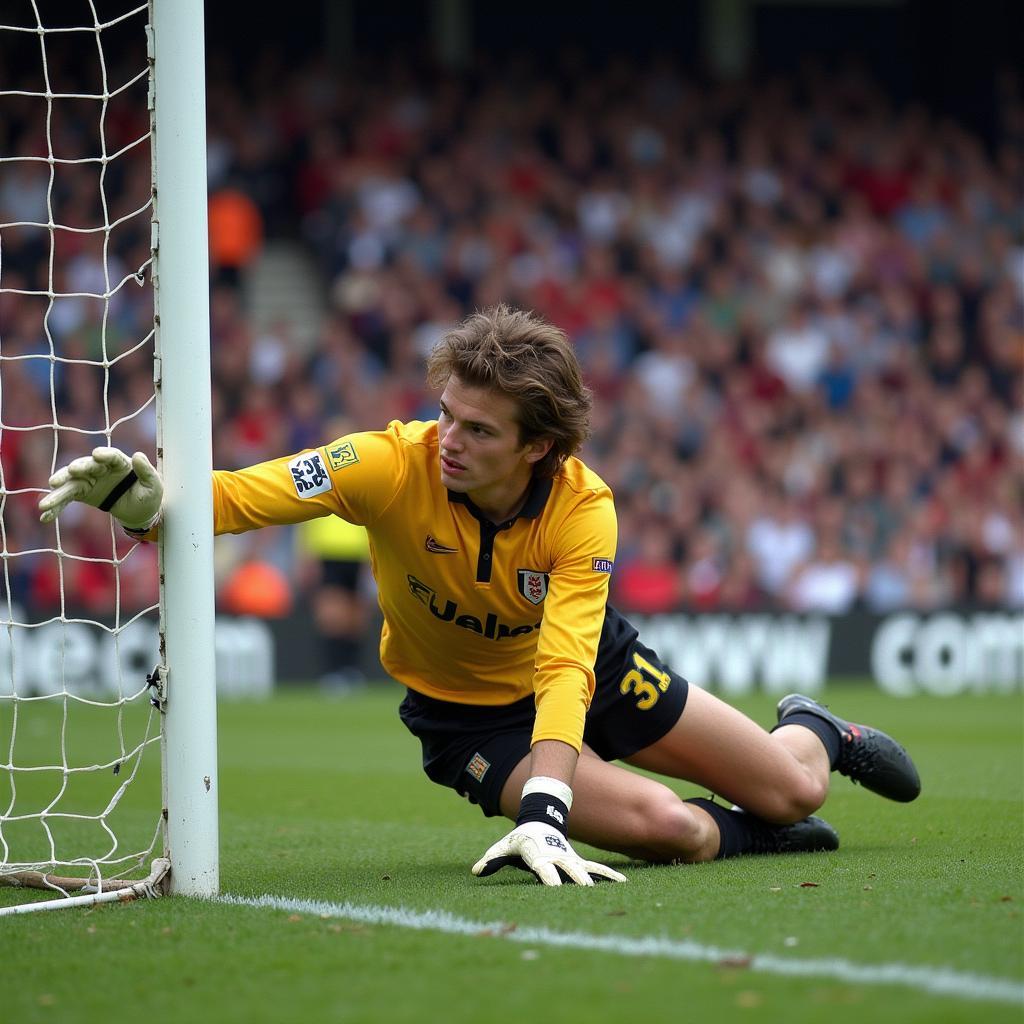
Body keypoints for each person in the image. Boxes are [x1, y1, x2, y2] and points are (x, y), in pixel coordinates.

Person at [38, 305, 920, 888]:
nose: (448, 439)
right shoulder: (384, 462)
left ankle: (815, 728)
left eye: (479, 429)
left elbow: (569, 663)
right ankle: (742, 832)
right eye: (448, 413)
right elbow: (240, 496)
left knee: (797, 793)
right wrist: (148, 504)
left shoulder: (585, 509)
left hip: (591, 674)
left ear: (538, 447)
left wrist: (546, 811)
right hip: (470, 720)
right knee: (672, 830)